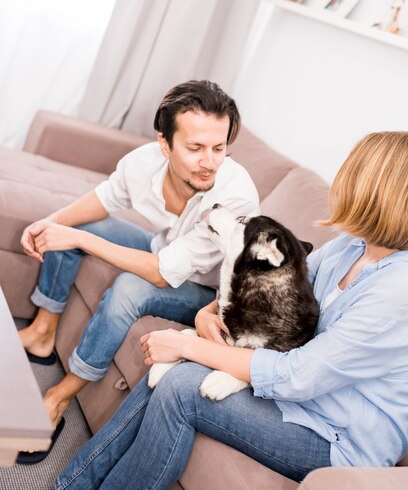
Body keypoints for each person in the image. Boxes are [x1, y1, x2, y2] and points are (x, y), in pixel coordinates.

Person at [53, 130, 408, 489]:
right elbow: (279, 288)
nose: (340, 185)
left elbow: (298, 376)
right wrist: (207, 313)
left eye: (350, 176)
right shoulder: (350, 247)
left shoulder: (401, 288)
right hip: (296, 398)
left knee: (182, 387)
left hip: (336, 437)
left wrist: (187, 346)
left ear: (375, 192)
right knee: (172, 373)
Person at [18, 80, 259, 433]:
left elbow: (161, 274)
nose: (209, 162)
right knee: (79, 224)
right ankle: (42, 330)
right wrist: (50, 223)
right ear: (165, 144)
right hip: (162, 250)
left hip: (207, 293)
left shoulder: (236, 197)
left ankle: (60, 397)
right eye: (195, 148)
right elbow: (104, 199)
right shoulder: (142, 162)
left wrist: (77, 237)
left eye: (219, 148)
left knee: (129, 287)